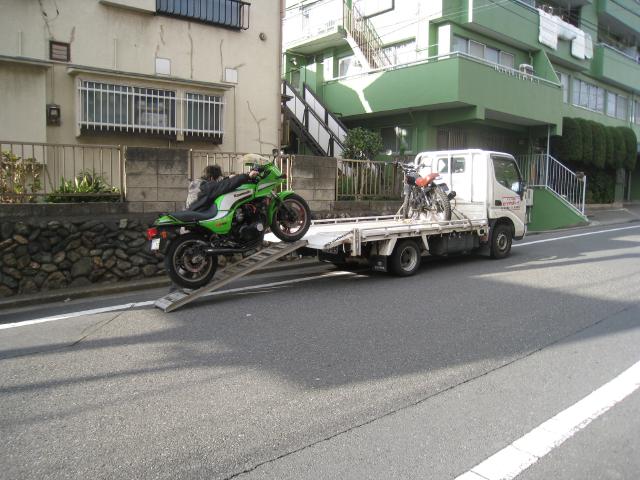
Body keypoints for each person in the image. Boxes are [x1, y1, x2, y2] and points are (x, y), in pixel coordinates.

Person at [187, 165, 259, 213]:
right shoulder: (206, 187)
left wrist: (228, 178)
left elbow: (219, 184)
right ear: (212, 178)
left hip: (194, 213)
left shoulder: (199, 184)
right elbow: (223, 185)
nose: (220, 180)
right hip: (199, 217)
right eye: (219, 178)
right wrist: (247, 176)